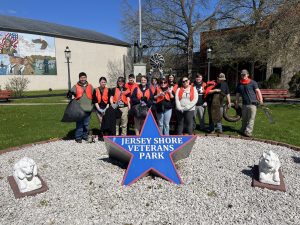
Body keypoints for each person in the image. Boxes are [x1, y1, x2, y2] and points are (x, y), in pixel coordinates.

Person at [235, 69, 263, 137]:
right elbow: (238, 94)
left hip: (253, 104)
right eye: (242, 74)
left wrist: (261, 100)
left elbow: (258, 91)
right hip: (244, 104)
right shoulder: (240, 84)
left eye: (244, 74)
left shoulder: (253, 82)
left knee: (251, 118)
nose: (243, 75)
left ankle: (248, 132)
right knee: (244, 118)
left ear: (248, 75)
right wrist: (236, 102)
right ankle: (243, 130)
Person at [69, 72, 94, 143]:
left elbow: (94, 95)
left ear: (86, 78)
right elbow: (70, 94)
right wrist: (71, 94)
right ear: (79, 78)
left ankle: (85, 136)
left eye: (84, 77)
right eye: (81, 77)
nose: (83, 79)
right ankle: (78, 137)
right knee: (79, 124)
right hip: (79, 109)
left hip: (88, 108)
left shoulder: (90, 86)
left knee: (86, 124)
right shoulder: (75, 86)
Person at [93, 77, 110, 141]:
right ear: (99, 82)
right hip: (98, 108)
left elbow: (109, 101)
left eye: (104, 82)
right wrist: (99, 109)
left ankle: (106, 135)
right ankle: (101, 135)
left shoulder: (108, 90)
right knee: (101, 122)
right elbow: (95, 101)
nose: (103, 83)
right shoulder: (96, 90)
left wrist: (105, 109)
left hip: (106, 107)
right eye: (102, 82)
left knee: (106, 121)